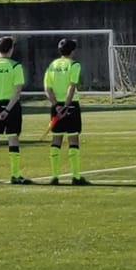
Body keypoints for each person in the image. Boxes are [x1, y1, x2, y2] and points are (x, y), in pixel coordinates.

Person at [0, 36, 29, 185]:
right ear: (11, 49)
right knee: (13, 138)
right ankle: (15, 175)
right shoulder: (15, 66)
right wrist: (7, 110)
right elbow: (17, 91)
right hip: (11, 106)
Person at [44, 39, 91, 186]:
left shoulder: (52, 65)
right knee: (73, 139)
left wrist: (56, 105)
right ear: (73, 51)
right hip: (71, 105)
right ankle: (75, 176)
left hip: (56, 106)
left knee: (56, 139)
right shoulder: (74, 65)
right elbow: (72, 86)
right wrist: (66, 105)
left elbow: (47, 89)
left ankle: (54, 176)